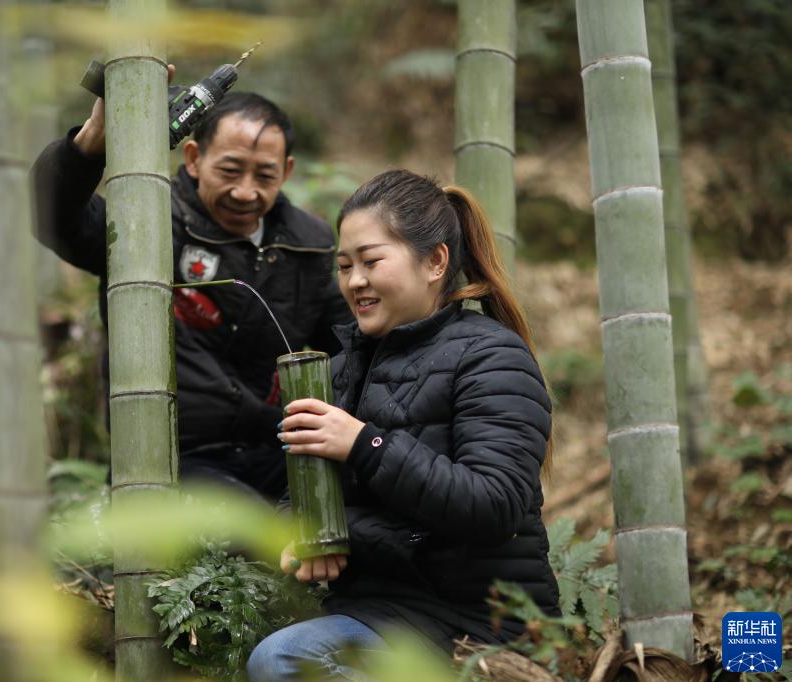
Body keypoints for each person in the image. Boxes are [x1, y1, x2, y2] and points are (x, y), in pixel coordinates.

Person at [246, 170, 560, 680]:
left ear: (435, 261)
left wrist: (364, 444)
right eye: (344, 266)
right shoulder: (343, 365)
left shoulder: (493, 355)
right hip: (379, 614)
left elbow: (494, 504)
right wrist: (304, 532)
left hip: (480, 627)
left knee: (283, 660)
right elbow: (301, 488)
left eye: (371, 261)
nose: (354, 281)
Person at [31, 83, 351, 501]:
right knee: (257, 533)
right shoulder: (147, 219)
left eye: (265, 175)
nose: (245, 192)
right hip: (168, 463)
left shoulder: (307, 245)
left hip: (276, 448)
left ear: (287, 172)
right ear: (195, 159)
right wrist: (90, 141)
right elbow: (53, 217)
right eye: (230, 170)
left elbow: (349, 344)